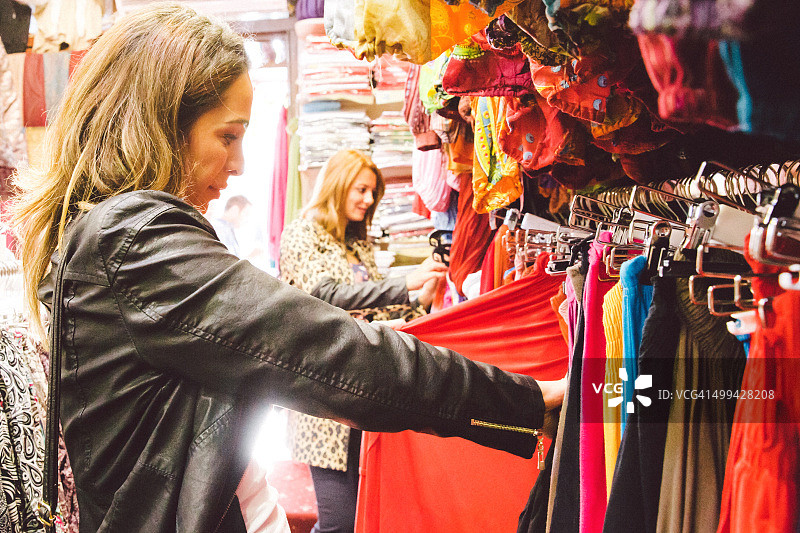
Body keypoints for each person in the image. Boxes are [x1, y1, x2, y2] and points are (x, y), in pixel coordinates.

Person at [11, 4, 566, 532]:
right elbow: (322, 348)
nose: (239, 163)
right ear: (158, 122)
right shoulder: (133, 242)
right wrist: (522, 399)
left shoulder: (113, 242)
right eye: (227, 136)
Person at [279, 149, 446, 533]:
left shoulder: (358, 245)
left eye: (373, 193)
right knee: (338, 522)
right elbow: (324, 294)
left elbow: (377, 314)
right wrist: (403, 284)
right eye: (362, 189)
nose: (369, 200)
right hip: (323, 400)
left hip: (367, 393)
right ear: (338, 185)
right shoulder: (302, 233)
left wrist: (422, 307)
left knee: (365, 517)